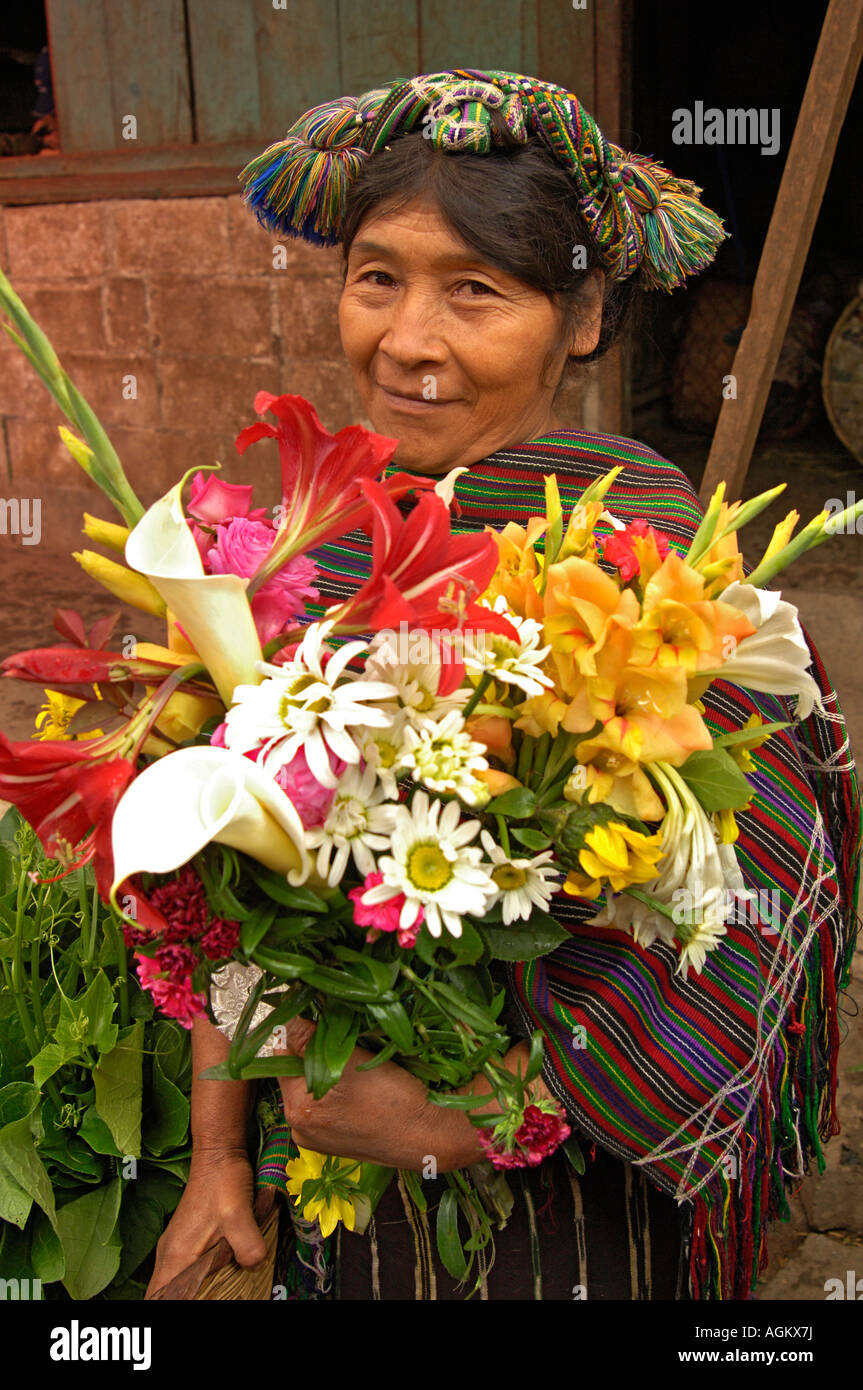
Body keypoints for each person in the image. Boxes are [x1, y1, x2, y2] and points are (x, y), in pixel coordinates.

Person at [146, 71, 860, 1302]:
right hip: (321, 1198)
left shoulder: (657, 566)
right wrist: (219, 1160)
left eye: (474, 291)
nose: (408, 339)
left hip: (567, 1213)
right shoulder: (301, 556)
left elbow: (746, 901)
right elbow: (222, 865)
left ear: (580, 316)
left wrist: (461, 1121)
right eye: (377, 277)